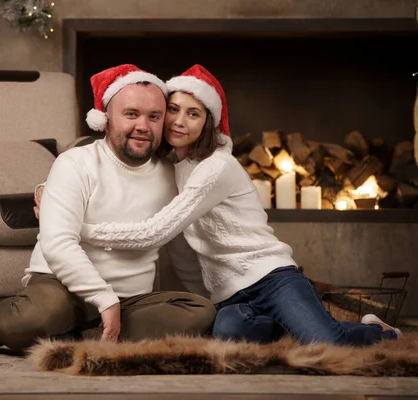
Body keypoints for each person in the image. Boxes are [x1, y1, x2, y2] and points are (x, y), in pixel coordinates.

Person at [75, 64, 402, 346]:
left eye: (194, 114)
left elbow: (155, 231)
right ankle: (294, 327)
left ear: (207, 123)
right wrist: (59, 186)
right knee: (229, 334)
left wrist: (79, 228)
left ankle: (376, 332)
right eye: (173, 109)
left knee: (329, 343)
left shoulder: (217, 167)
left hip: (273, 278)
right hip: (231, 295)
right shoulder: (171, 164)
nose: (179, 121)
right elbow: (111, 163)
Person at [0, 64, 216, 353]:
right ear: (106, 118)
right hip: (62, 287)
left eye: (154, 116)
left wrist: (207, 297)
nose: (143, 126)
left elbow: (180, 244)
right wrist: (103, 298)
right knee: (42, 314)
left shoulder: (171, 174)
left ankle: (69, 338)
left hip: (130, 299)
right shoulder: (76, 163)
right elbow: (58, 244)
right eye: (131, 114)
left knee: (199, 312)